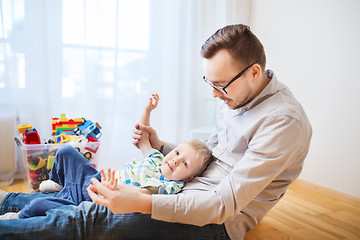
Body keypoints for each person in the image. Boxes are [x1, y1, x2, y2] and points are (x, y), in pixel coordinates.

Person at [0, 24, 312, 240]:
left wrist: (141, 202)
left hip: (212, 223)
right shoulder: (234, 96)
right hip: (174, 189)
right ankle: (9, 202)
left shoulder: (283, 123)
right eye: (210, 84)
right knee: (87, 183)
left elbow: (222, 204)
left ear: (254, 72)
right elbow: (210, 157)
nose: (215, 95)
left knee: (89, 217)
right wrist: (162, 146)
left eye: (220, 85)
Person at [0, 94, 213, 220]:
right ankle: (59, 183)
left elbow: (144, 195)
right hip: (94, 178)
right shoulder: (157, 158)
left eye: (184, 163)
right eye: (177, 152)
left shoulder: (168, 187)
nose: (175, 159)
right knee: (66, 151)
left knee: (39, 206)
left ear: (188, 178)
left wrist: (115, 189)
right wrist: (148, 109)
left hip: (94, 197)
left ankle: (16, 218)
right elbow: (144, 136)